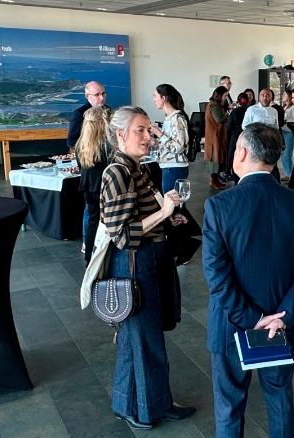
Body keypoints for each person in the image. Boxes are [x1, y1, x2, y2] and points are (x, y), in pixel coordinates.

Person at [202, 123, 294, 438]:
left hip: (232, 325)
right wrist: (283, 316)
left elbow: (217, 274)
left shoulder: (219, 206)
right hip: (281, 325)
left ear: (241, 152)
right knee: (279, 397)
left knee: (229, 405)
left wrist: (250, 318)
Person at [100, 106, 195, 429]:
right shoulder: (117, 173)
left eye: (148, 129)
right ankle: (148, 409)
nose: (147, 136)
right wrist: (163, 211)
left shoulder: (136, 168)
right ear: (119, 135)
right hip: (133, 265)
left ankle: (130, 403)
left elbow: (141, 218)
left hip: (148, 261)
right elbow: (123, 234)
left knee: (134, 340)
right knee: (146, 341)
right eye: (140, 130)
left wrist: (169, 215)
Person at [76, 106, 111, 265]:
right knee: (107, 221)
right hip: (103, 187)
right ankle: (106, 254)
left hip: (87, 187)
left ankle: (88, 255)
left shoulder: (80, 145)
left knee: (92, 221)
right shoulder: (105, 145)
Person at [149, 84, 189, 195]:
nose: (154, 100)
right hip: (169, 166)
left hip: (174, 167)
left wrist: (158, 133)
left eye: (155, 96)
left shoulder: (177, 118)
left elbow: (178, 147)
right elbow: (168, 143)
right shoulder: (169, 118)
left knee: (173, 204)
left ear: (163, 98)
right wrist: (154, 141)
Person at [67, 80, 109, 149]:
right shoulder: (80, 113)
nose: (101, 98)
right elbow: (72, 142)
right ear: (87, 96)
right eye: (97, 95)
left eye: (103, 93)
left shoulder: (109, 111)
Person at [204, 86, 229, 190]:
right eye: (225, 96)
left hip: (216, 135)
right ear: (219, 95)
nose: (226, 98)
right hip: (215, 136)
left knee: (217, 156)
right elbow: (219, 119)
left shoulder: (213, 104)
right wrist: (227, 114)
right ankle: (213, 180)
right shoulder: (214, 106)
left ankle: (215, 180)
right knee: (215, 157)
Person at [224, 93, 251, 184]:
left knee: (234, 157)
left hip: (235, 137)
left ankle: (236, 181)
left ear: (238, 101)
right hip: (247, 137)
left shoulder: (234, 112)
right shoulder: (249, 111)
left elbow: (229, 127)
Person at [281, 89, 294, 180]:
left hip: (289, 132)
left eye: (284, 94)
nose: (282, 96)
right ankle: (288, 173)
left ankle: (290, 174)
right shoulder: (283, 108)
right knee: (283, 154)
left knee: (287, 154)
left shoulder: (293, 108)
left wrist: (286, 121)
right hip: (282, 131)